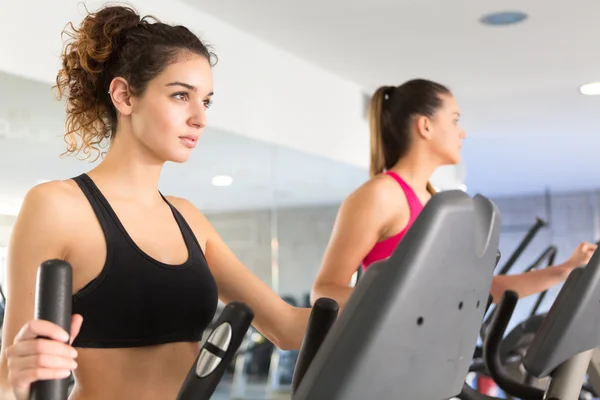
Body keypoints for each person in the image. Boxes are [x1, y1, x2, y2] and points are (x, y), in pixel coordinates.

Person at [0, 5, 311, 400]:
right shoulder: (56, 206)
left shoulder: (188, 218)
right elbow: (8, 381)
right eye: (182, 95)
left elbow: (286, 327)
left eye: (207, 101)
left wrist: (394, 299)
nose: (200, 118)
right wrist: (19, 377)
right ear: (124, 96)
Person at [311, 79, 597, 310]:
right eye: (455, 120)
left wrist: (566, 269)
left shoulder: (433, 202)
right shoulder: (382, 194)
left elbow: (479, 290)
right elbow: (325, 292)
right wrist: (402, 300)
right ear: (425, 126)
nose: (463, 133)